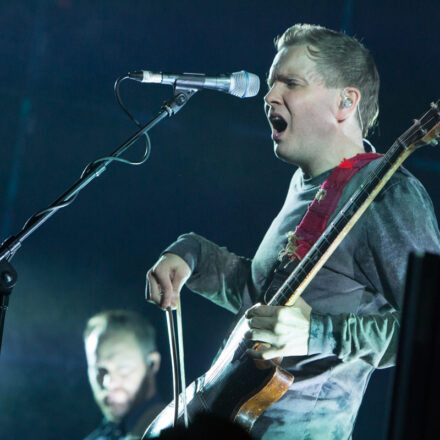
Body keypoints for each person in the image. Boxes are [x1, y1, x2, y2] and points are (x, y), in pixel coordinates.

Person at [145, 24, 440, 439]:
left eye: (290, 82)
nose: (268, 96)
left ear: (345, 102)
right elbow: (260, 303)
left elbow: (428, 329)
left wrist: (315, 332)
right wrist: (190, 254)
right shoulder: (307, 185)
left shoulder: (389, 195)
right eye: (270, 83)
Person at [83, 310, 163, 440]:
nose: (108, 383)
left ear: (152, 364)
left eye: (123, 368)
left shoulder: (178, 429)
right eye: (99, 370)